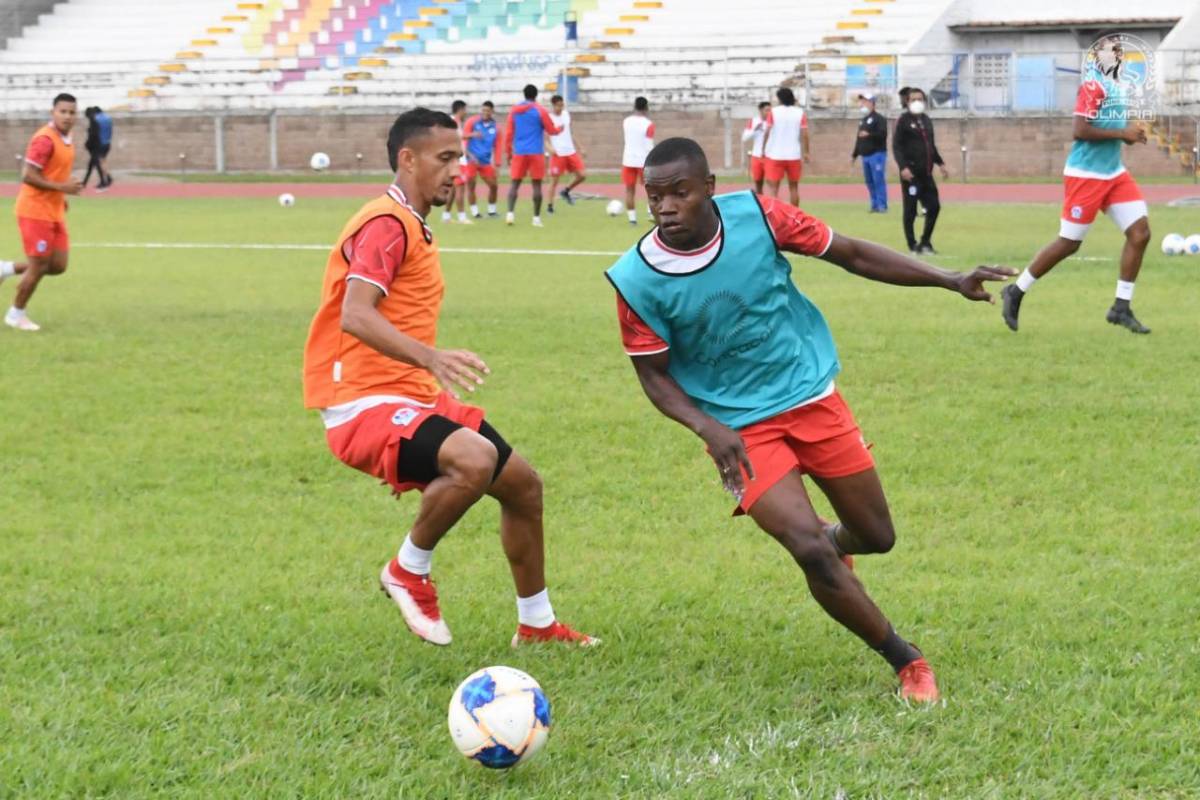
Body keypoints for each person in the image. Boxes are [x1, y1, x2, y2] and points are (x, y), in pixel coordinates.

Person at [605, 137, 1015, 702]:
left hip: (810, 396)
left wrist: (945, 278)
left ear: (708, 189)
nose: (667, 207)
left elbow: (849, 252)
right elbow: (653, 377)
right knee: (810, 551)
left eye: (680, 193)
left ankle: (833, 535)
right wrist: (708, 428)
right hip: (739, 430)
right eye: (655, 197)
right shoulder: (635, 279)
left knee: (876, 537)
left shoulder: (761, 216)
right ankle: (907, 660)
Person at [302, 107, 595, 648]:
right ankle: (408, 570)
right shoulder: (386, 224)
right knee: (475, 460)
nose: (457, 169)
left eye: (458, 157)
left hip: (410, 397)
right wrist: (430, 357)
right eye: (444, 158)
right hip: (361, 402)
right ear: (407, 159)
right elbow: (356, 313)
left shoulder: (411, 223)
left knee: (523, 487)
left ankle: (536, 625)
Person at [1002, 36, 1151, 334]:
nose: (1117, 57)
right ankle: (1016, 291)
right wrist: (1123, 133)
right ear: (1097, 58)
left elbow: (1112, 125)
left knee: (1140, 233)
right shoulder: (1093, 85)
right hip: (1086, 176)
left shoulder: (1116, 86)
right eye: (1110, 53)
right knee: (1069, 242)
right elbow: (1079, 129)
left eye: (1119, 52)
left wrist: (1132, 131)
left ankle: (1120, 307)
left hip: (1113, 174)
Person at [0, 93, 81, 332]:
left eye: (71, 112)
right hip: (34, 211)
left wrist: (60, 196)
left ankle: (5, 269)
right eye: (62, 111)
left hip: (52, 210)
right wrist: (61, 188)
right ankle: (16, 314)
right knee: (38, 266)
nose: (67, 116)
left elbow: (54, 171)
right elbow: (27, 175)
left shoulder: (66, 138)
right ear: (52, 112)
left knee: (58, 265)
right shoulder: (44, 140)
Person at [892, 88, 947, 254]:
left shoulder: (926, 120)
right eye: (914, 99)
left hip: (927, 174)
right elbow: (897, 146)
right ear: (907, 102)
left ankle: (926, 241)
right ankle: (912, 244)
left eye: (920, 99)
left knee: (934, 207)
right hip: (911, 175)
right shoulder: (902, 121)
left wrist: (940, 162)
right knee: (910, 210)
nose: (917, 102)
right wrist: (903, 167)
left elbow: (931, 145)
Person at [504, 84, 562, 227]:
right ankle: (536, 218)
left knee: (515, 183)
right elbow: (551, 130)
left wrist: (508, 153)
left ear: (524, 95)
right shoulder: (540, 110)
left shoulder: (514, 111)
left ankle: (510, 214)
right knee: (536, 185)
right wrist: (559, 129)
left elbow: (509, 133)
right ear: (535, 95)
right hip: (536, 152)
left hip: (519, 152)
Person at [761, 87, 809, 206]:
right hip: (794, 155)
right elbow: (805, 134)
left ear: (780, 98)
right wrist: (807, 152)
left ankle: (774, 214)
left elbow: (767, 132)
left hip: (775, 154)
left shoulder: (774, 112)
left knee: (773, 188)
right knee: (793, 187)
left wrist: (763, 149)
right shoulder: (799, 112)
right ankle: (795, 214)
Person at [546, 94, 587, 214]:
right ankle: (550, 207)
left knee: (582, 175)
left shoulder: (566, 114)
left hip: (571, 152)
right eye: (558, 105)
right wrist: (550, 148)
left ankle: (566, 191)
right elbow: (545, 138)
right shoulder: (549, 118)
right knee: (554, 181)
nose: (561, 107)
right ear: (553, 105)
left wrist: (580, 147)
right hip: (558, 154)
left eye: (562, 105)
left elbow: (571, 132)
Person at [462, 101, 500, 219]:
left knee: (493, 186)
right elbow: (462, 136)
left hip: (485, 161)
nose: (485, 113)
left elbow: (497, 146)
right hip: (472, 159)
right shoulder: (472, 122)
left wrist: (497, 164)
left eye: (487, 111)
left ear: (492, 112)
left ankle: (492, 211)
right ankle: (475, 213)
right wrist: (472, 135)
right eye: (483, 110)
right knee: (471, 186)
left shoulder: (496, 127)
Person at [620, 96, 655, 225]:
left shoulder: (626, 121)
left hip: (628, 160)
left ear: (634, 106)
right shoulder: (648, 124)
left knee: (629, 190)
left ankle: (632, 219)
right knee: (651, 188)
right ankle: (650, 212)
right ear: (646, 107)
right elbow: (648, 146)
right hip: (643, 161)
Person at [851, 93, 888, 213]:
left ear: (872, 103)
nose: (863, 104)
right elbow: (859, 138)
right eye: (862, 102)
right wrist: (855, 154)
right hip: (865, 156)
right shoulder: (863, 121)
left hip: (877, 154)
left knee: (878, 180)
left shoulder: (879, 119)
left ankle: (882, 205)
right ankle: (874, 205)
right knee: (869, 181)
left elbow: (883, 135)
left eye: (865, 101)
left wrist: (870, 135)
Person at [442, 100, 471, 224]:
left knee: (453, 190)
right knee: (460, 188)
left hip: (457, 159)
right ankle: (462, 217)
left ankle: (446, 216)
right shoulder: (453, 123)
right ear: (460, 110)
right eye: (465, 110)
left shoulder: (454, 122)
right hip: (458, 160)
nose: (466, 112)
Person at [742, 101, 771, 194]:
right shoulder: (754, 121)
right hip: (756, 155)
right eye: (767, 110)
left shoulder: (773, 122)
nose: (769, 112)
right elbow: (744, 138)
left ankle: (772, 203)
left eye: (770, 110)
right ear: (761, 110)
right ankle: (760, 203)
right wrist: (755, 130)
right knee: (758, 182)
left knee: (771, 182)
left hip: (770, 156)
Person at [83, 106, 113, 190]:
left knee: (99, 163)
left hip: (99, 144)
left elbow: (94, 132)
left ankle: (106, 180)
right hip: (107, 142)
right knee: (102, 162)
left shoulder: (97, 119)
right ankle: (107, 179)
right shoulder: (108, 118)